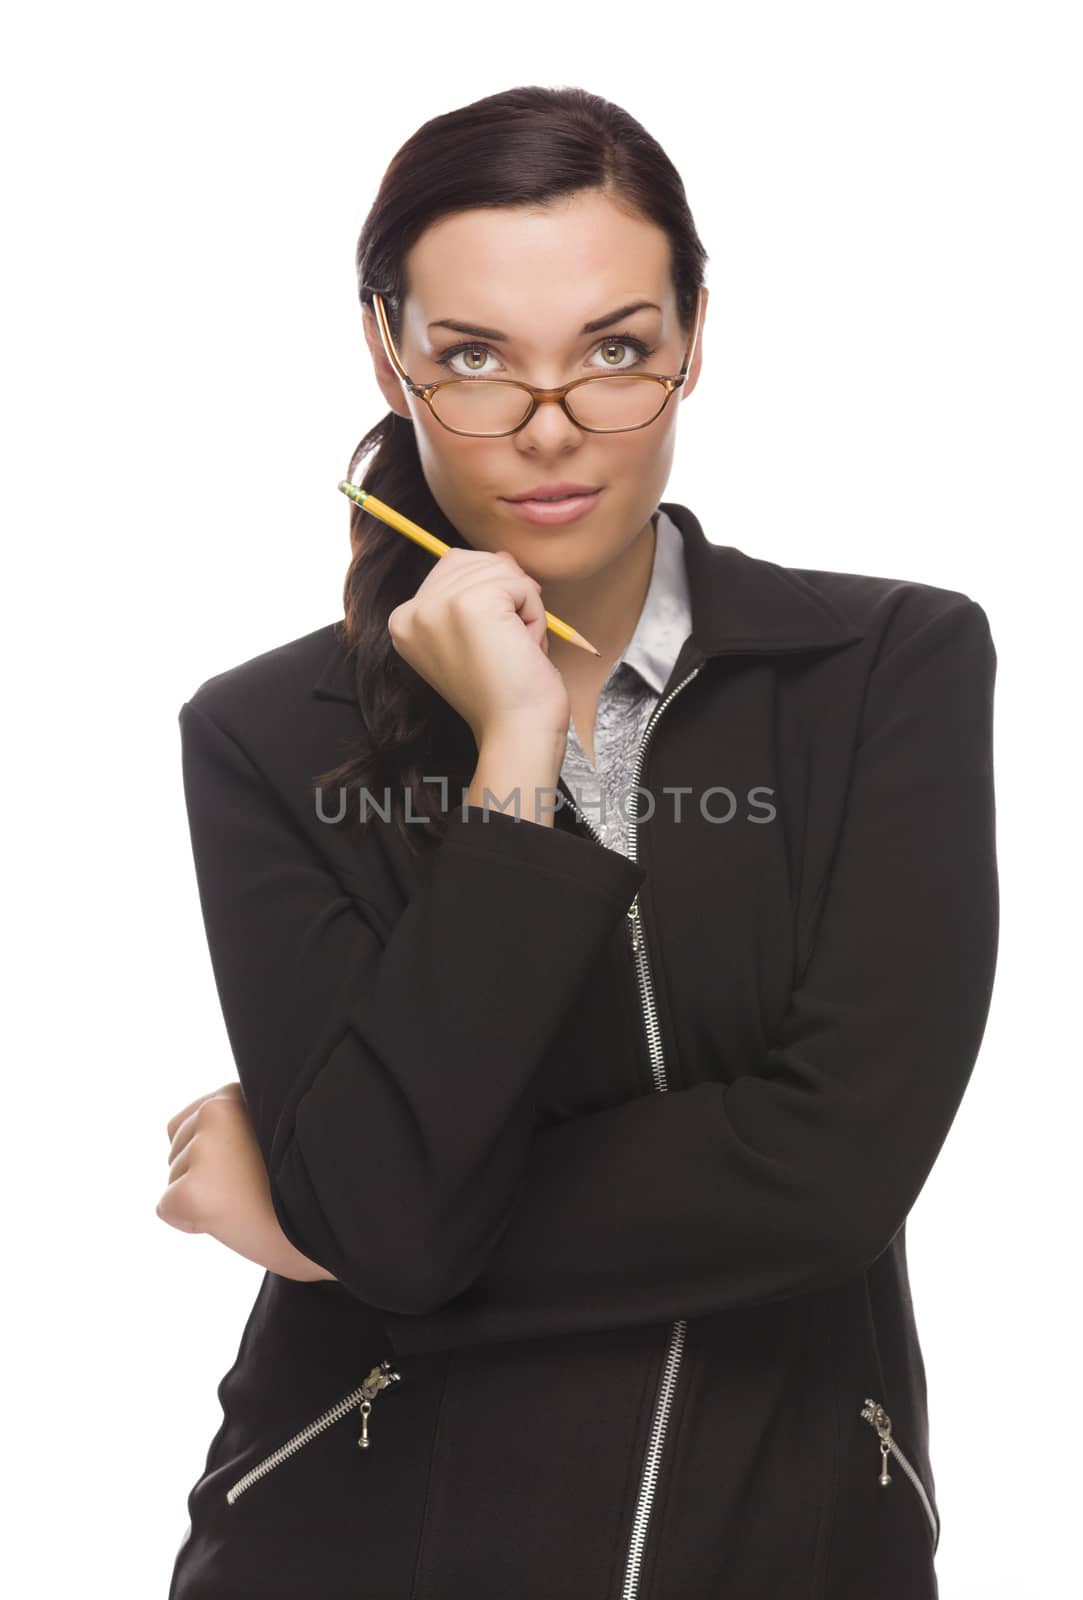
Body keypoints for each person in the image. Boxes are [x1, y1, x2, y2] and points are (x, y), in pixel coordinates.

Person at [159, 85, 998, 1600]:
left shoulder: (889, 668)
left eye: (616, 351)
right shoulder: (262, 735)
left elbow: (833, 1172)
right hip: (356, 1542)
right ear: (388, 351)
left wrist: (331, 1226)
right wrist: (515, 761)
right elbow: (406, 1208)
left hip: (786, 1535)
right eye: (475, 360)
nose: (553, 434)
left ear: (692, 342)